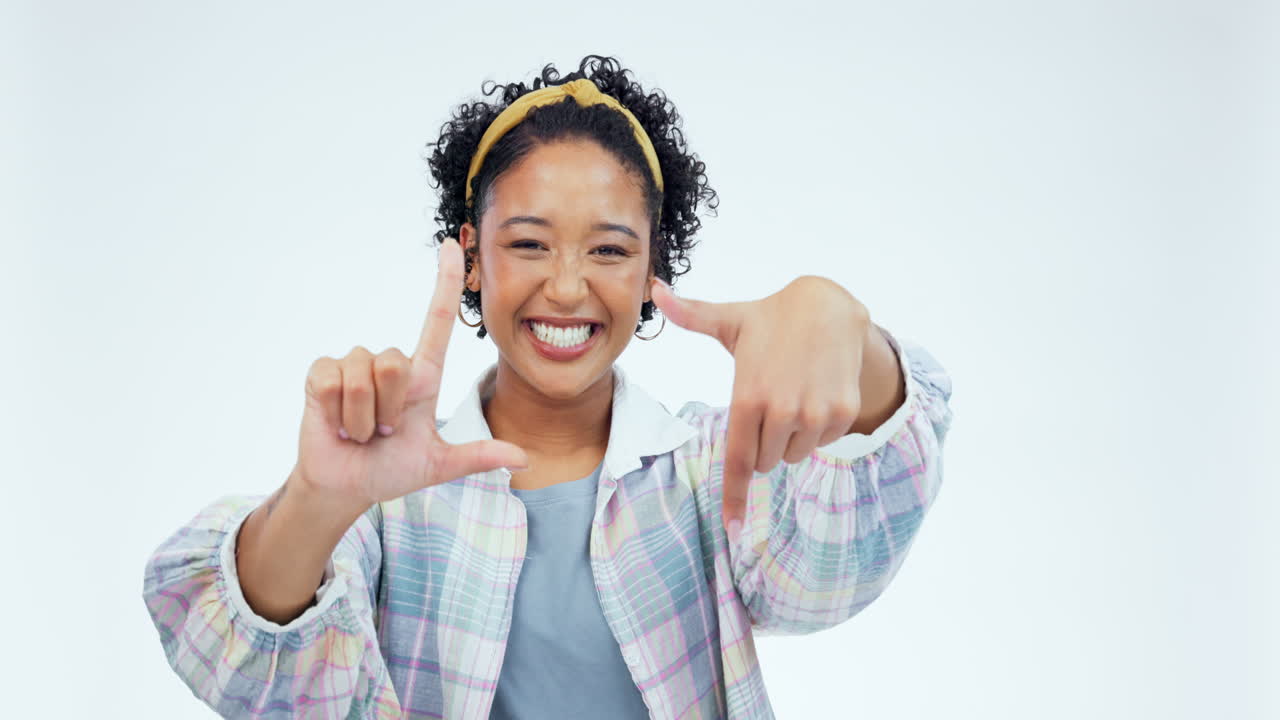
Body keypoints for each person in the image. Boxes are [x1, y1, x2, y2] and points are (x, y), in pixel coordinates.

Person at [141, 55, 954, 719]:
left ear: (650, 270)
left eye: (607, 250)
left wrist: (848, 335)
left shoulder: (713, 467)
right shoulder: (392, 499)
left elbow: (821, 580)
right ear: (470, 255)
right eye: (529, 243)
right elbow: (245, 676)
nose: (566, 290)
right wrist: (320, 496)